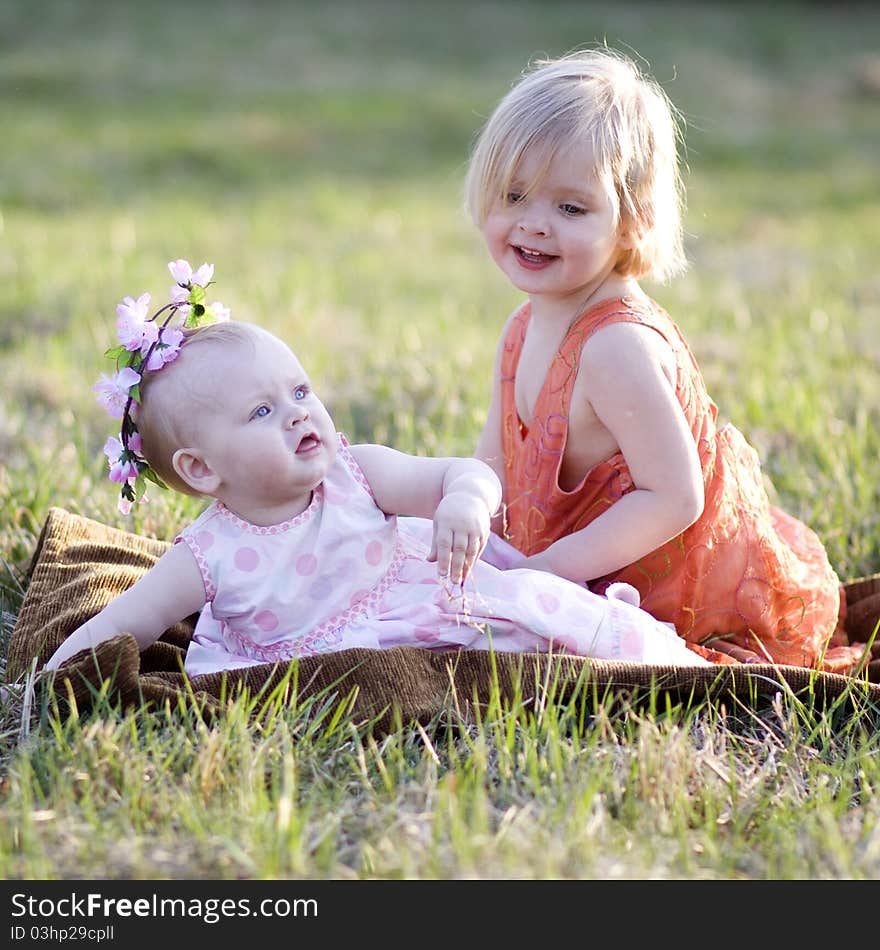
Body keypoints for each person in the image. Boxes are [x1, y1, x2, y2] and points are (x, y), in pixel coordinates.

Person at [44, 266, 709, 676]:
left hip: (422, 601)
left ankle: (660, 661)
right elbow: (131, 618)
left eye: (302, 393)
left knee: (544, 617)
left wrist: (465, 507)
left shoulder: (355, 474)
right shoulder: (210, 555)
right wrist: (56, 673)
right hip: (314, 649)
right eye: (262, 411)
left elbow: (461, 474)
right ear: (202, 469)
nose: (300, 416)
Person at [465, 48, 867, 672]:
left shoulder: (615, 347)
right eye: (514, 195)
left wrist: (544, 573)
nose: (534, 224)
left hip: (679, 594)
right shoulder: (522, 327)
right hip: (579, 565)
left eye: (570, 207)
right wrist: (466, 518)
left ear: (632, 222)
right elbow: (493, 457)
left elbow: (676, 497)